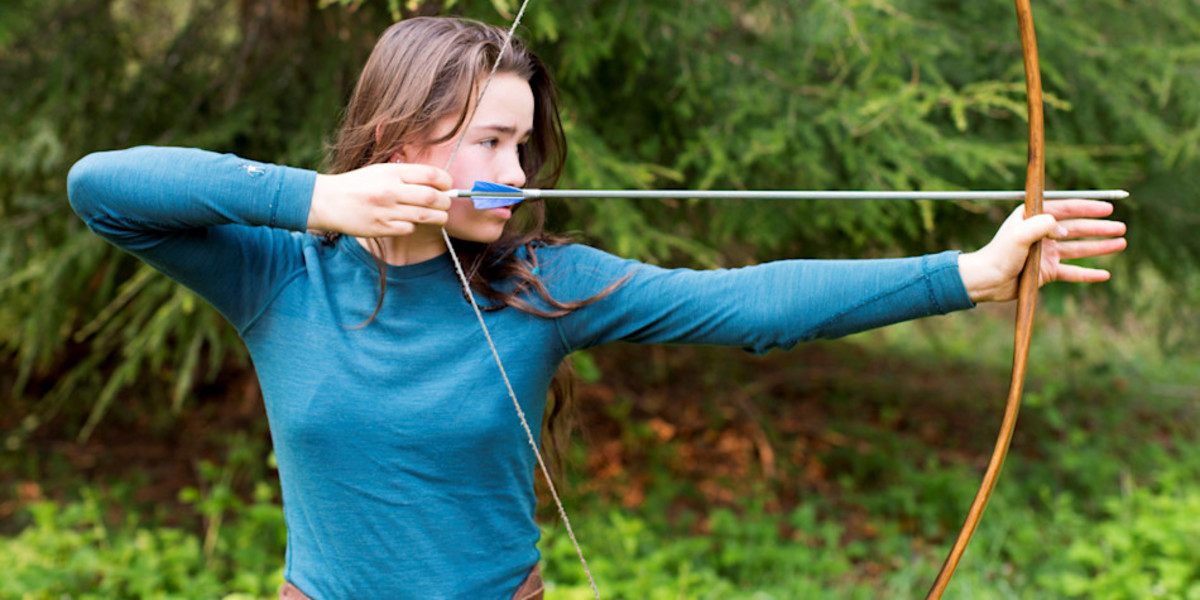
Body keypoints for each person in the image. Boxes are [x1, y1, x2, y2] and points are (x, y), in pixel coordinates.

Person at [65, 16, 1127, 600]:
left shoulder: (543, 282)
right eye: (489, 140)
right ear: (398, 138)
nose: (516, 170)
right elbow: (102, 187)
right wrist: (316, 199)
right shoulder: (281, 273)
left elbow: (746, 305)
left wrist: (970, 274)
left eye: (523, 144)